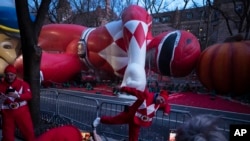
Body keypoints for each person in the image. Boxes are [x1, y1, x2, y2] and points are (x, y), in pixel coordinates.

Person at [92, 86, 171, 141]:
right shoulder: (146, 95)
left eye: (162, 101)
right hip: (129, 114)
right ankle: (100, 119)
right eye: (161, 99)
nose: (161, 101)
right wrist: (122, 88)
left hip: (137, 121)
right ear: (159, 95)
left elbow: (167, 105)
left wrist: (166, 111)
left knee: (134, 137)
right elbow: (134, 91)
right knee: (114, 120)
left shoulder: (160, 103)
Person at [0, 64, 35, 141]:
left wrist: (18, 96)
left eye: (11, 75)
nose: (9, 77)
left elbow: (29, 96)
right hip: (7, 114)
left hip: (22, 113)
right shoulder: (1, 86)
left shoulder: (23, 84)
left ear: (15, 75)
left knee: (29, 134)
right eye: (7, 75)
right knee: (7, 137)